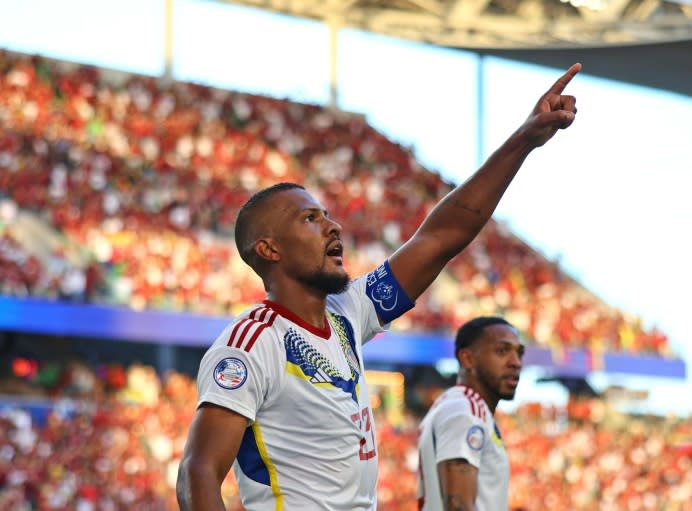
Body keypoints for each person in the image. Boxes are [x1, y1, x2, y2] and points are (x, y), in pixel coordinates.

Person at [176, 63, 581, 511]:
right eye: (310, 219)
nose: (332, 226)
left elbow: (441, 237)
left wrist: (524, 141)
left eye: (326, 214)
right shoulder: (253, 343)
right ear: (269, 249)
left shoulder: (348, 312)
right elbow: (198, 473)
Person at [416, 317, 524, 511]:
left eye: (519, 353)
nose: (516, 362)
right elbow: (458, 506)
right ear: (468, 358)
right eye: (502, 351)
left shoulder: (454, 404)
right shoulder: (465, 409)